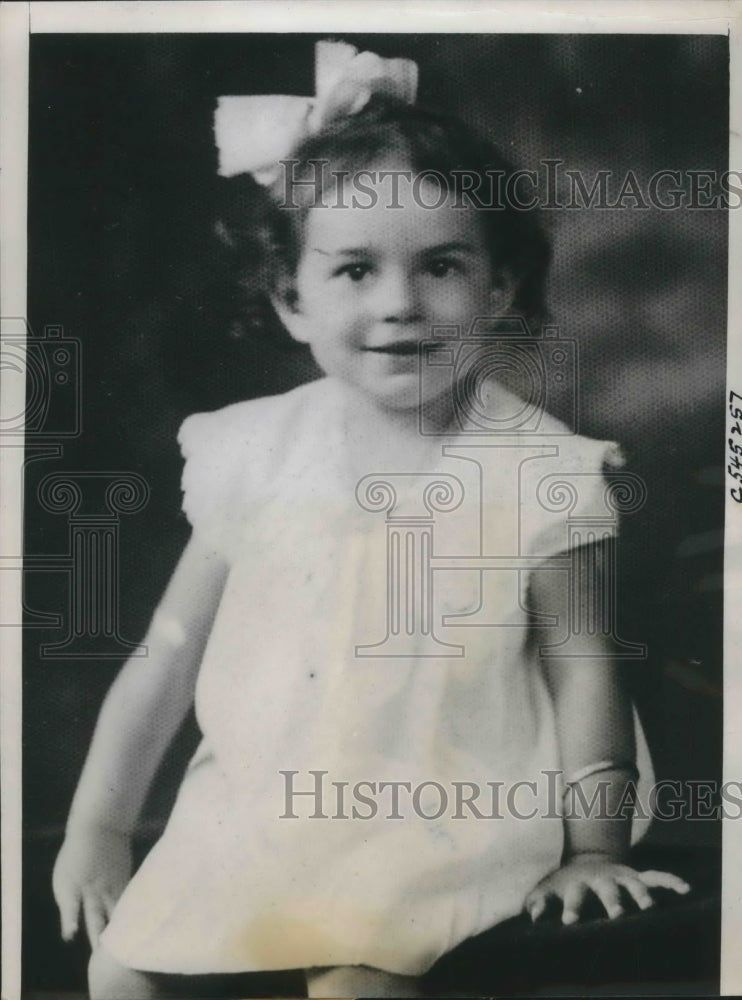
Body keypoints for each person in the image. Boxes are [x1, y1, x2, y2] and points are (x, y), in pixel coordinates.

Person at [52, 41, 690, 1000]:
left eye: (440, 265)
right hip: (268, 801)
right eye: (355, 270)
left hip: (451, 801)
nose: (400, 303)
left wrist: (591, 848)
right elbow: (169, 652)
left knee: (357, 980)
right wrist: (98, 827)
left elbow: (585, 666)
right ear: (290, 300)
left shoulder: (540, 469)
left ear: (499, 288)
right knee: (120, 975)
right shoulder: (254, 451)